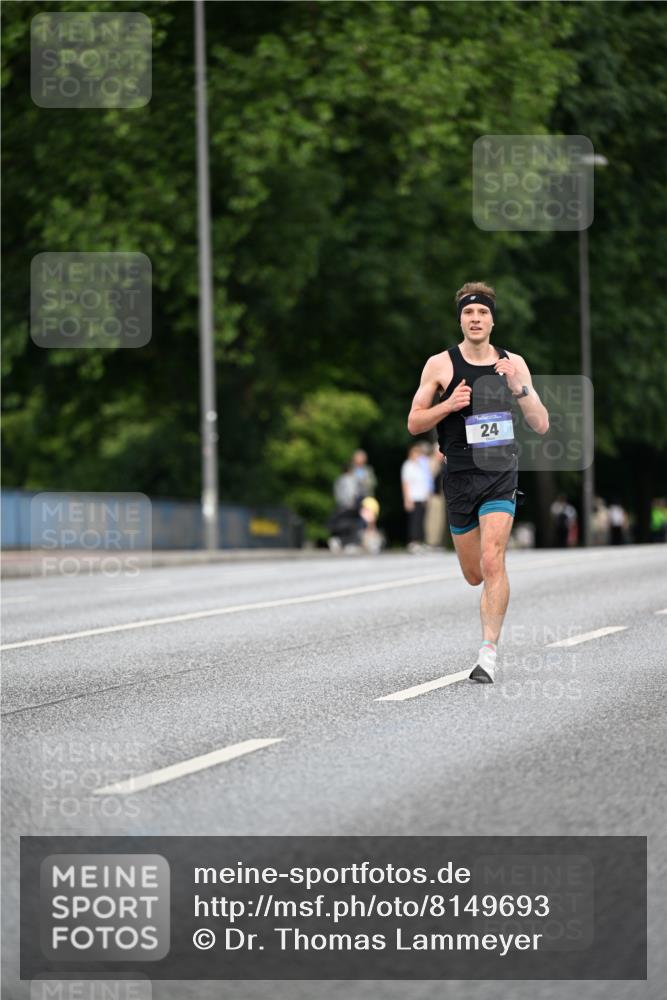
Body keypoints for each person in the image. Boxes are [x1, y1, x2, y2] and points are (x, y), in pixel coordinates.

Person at [407, 281, 549, 682]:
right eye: (469, 313)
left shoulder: (512, 363)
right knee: (474, 573)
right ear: (460, 319)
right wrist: (448, 405)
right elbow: (414, 421)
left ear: (492, 319)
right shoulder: (441, 365)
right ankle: (489, 606)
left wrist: (517, 388)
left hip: (499, 473)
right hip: (459, 476)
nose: (475, 319)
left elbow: (540, 423)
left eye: (482, 312)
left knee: (493, 559)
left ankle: (488, 653)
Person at [401, 443, 432, 552]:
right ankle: (413, 541)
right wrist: (407, 498)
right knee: (414, 520)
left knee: (421, 520)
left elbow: (427, 481)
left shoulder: (423, 465)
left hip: (422, 496)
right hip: (413, 496)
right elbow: (405, 483)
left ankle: (420, 540)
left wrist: (427, 495)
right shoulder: (407, 465)